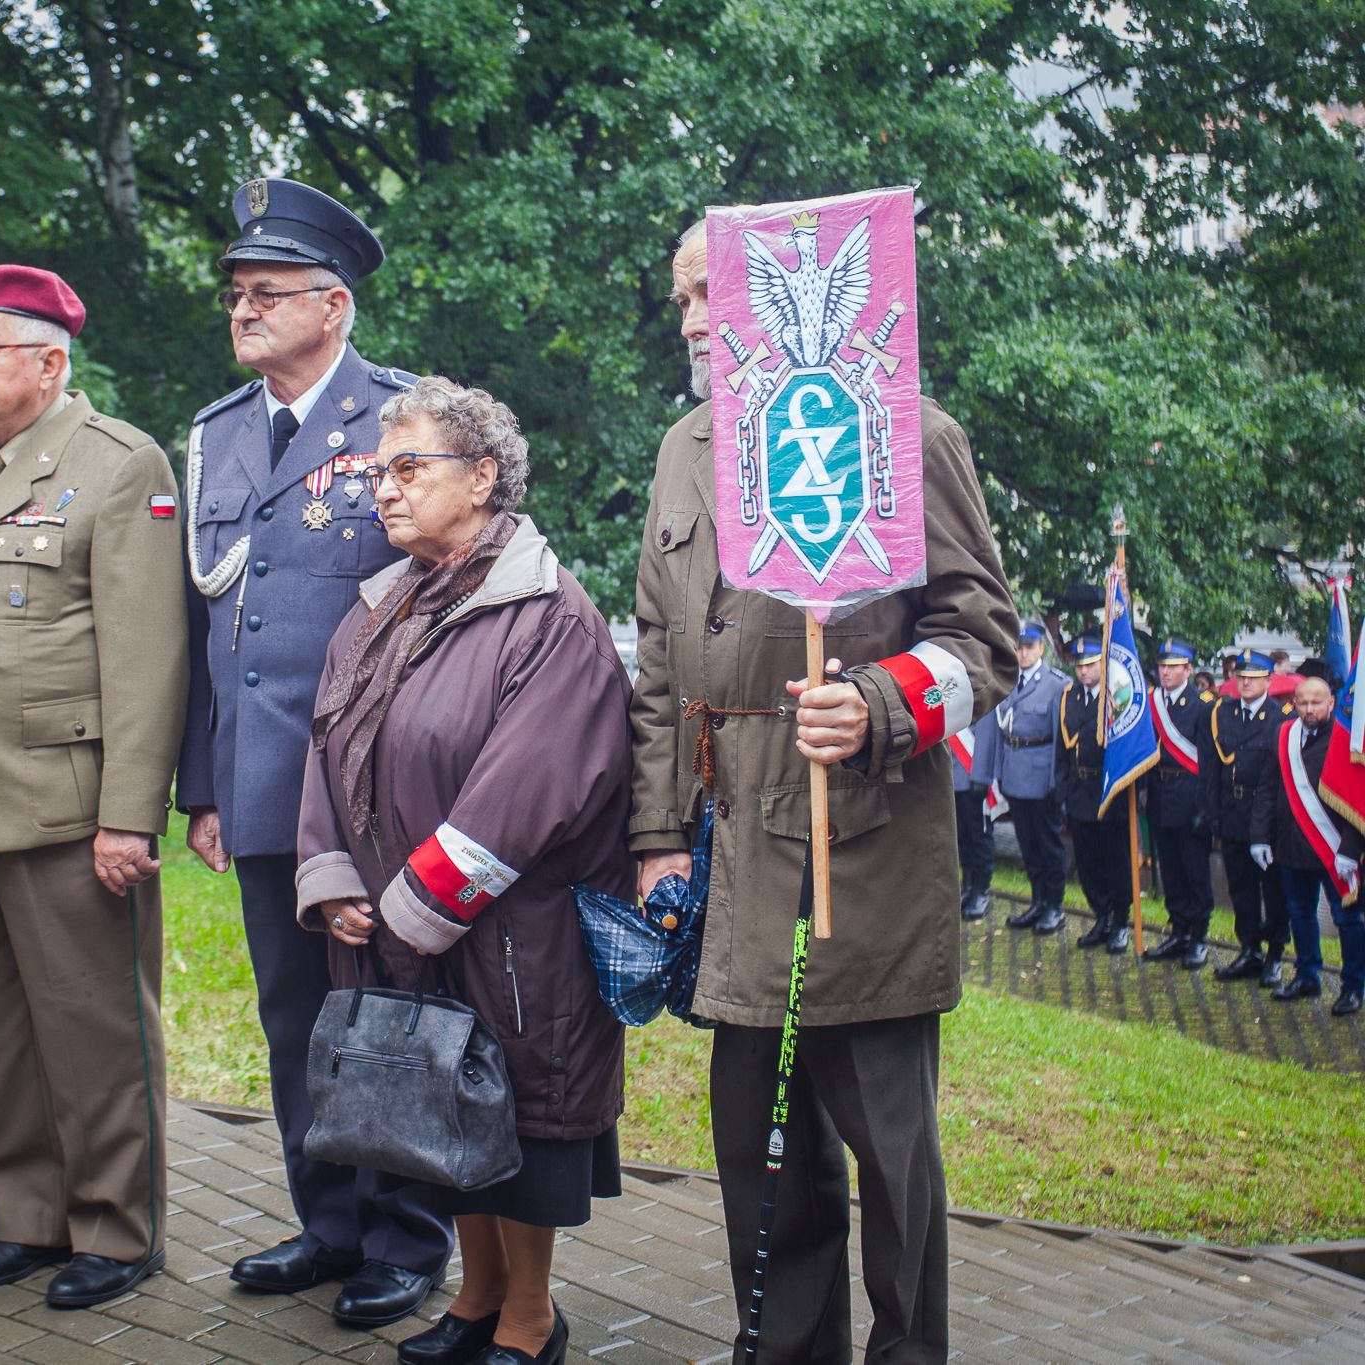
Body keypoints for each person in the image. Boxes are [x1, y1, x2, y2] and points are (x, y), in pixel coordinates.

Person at [632, 218, 1018, 1364]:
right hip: (728, 854)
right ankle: (786, 1350)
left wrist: (881, 702)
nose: (694, 319)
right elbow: (658, 658)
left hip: (858, 845)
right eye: (679, 301)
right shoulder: (683, 446)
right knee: (760, 1146)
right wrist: (655, 834)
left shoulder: (905, 433)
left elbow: (982, 639)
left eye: (710, 291)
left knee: (888, 1155)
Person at [298, 378, 629, 1365]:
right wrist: (333, 878)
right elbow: (328, 748)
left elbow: (524, 788)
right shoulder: (382, 605)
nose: (382, 492)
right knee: (440, 1118)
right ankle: (473, 1299)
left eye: (408, 469)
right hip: (408, 931)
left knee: (517, 1121)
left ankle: (529, 1319)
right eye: (375, 472)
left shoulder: (547, 615)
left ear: (481, 478)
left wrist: (412, 905)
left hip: (519, 944)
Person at [176, 178, 453, 1325]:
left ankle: (407, 1236)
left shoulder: (398, 420)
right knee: (293, 1019)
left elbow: (444, 606)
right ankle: (327, 1223)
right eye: (235, 293)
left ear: (332, 305)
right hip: (255, 781)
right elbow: (206, 628)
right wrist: (200, 785)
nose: (241, 310)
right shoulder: (217, 434)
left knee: (384, 1013)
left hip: (369, 789)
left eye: (266, 292)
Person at [0, 264, 188, 1308]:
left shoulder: (116, 463)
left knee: (94, 1026)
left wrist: (125, 818)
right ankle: (28, 1216)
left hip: (66, 805)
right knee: (0, 1028)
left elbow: (147, 654)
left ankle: (116, 1229)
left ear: (49, 362)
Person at [1249, 661, 1365, 1013]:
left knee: (1347, 919)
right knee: (1299, 913)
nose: (1309, 710)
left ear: (1332, 703)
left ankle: (1353, 986)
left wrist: (1350, 848)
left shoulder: (1348, 740)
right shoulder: (1283, 734)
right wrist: (1259, 837)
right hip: (1292, 844)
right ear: (1294, 704)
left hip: (1335, 849)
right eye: (1303, 703)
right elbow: (1268, 789)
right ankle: (1307, 976)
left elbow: (1359, 798)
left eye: (1316, 703)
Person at [1208, 649, 1293, 985]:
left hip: (1267, 819)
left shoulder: (1281, 717)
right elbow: (1215, 770)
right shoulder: (1224, 713)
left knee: (1272, 890)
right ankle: (1249, 948)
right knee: (1240, 888)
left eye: (1253, 678)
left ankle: (1275, 953)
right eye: (1241, 677)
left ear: (1268, 681)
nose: (1244, 683)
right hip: (1232, 812)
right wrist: (1213, 813)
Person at [1057, 636, 1133, 951]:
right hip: (1078, 790)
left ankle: (1119, 921)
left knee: (1114, 859)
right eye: (1080, 667)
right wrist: (1062, 790)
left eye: (1090, 665)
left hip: (1108, 790)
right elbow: (1063, 751)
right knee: (1087, 861)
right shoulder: (1070, 696)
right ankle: (1100, 916)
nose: (1084, 672)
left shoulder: (1118, 696)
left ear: (1102, 664)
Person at [1142, 637, 1214, 968]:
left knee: (1194, 870)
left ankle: (1198, 936)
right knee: (1170, 869)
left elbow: (1210, 762)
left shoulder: (1203, 705)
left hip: (1190, 794)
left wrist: (1205, 808)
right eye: (1163, 667)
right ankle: (1179, 931)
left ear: (1188, 669)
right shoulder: (1153, 701)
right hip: (1160, 793)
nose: (1167, 673)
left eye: (1174, 667)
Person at [994, 622, 1070, 933]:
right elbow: (1002, 731)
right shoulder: (1009, 679)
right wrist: (999, 772)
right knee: (1028, 845)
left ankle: (1055, 906)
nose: (1023, 652)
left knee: (1048, 844)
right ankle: (1038, 902)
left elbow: (1060, 740)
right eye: (1019, 646)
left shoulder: (1056, 684)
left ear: (1041, 648)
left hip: (1041, 776)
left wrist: (1056, 781)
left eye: (1029, 646)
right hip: (1015, 772)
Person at [951, 709, 999, 920]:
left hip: (973, 775)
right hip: (953, 776)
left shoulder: (979, 682)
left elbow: (988, 734)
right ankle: (968, 887)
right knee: (962, 838)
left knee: (979, 837)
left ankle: (981, 892)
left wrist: (981, 775)